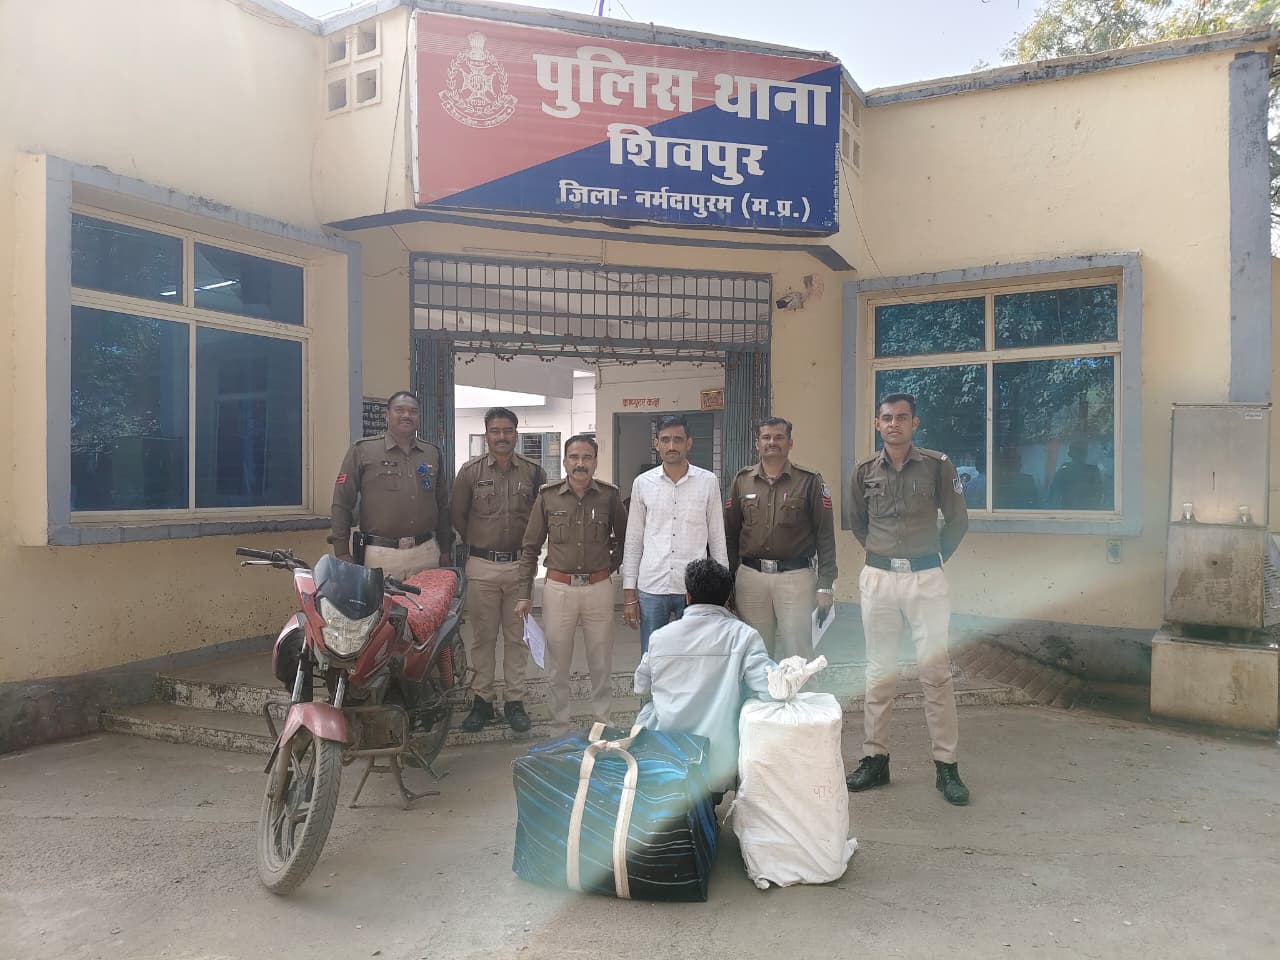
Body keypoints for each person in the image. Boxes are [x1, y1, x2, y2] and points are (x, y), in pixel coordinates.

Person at [846, 393, 971, 806]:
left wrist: (930, 559)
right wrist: (884, 555)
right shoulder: (864, 471)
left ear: (914, 423)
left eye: (902, 417)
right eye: (886, 418)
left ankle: (946, 766)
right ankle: (875, 759)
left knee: (935, 673)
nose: (894, 424)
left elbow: (957, 521)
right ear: (877, 424)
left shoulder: (937, 465)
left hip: (925, 578)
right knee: (878, 671)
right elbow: (858, 523)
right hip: (879, 578)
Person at [633, 558, 775, 801]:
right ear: (728, 599)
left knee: (648, 709)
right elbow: (770, 686)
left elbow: (640, 686)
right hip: (718, 762)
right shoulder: (744, 636)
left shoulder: (660, 637)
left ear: (687, 597)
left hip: (668, 754)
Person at [515, 435, 627, 733]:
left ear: (595, 461)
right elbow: (530, 548)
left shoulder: (609, 496)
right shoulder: (548, 496)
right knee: (558, 662)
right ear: (564, 462)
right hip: (559, 589)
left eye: (587, 457)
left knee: (601, 660)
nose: (580, 463)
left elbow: (626, 539)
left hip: (598, 589)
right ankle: (559, 727)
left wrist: (609, 566)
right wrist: (525, 593)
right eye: (574, 457)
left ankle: (603, 722)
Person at [451, 407, 547, 735]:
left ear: (516, 434)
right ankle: (482, 700)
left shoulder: (533, 473)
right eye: (495, 431)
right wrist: (480, 542)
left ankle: (514, 701)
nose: (502, 437)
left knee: (517, 637)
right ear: (486, 434)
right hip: (482, 566)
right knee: (483, 637)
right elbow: (457, 515)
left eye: (507, 430)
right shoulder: (470, 473)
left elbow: (540, 518)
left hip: (520, 566)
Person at [724, 416, 837, 659]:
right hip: (751, 578)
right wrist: (729, 581)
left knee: (798, 653)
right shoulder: (742, 481)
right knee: (755, 652)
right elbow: (730, 534)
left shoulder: (809, 481)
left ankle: (799, 686)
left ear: (790, 443)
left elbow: (825, 536)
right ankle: (761, 686)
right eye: (766, 437)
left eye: (779, 437)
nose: (772, 442)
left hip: (795, 578)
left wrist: (825, 584)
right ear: (757, 444)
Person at [622, 414, 729, 654]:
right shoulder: (642, 483)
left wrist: (723, 588)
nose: (671, 445)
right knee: (652, 654)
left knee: (693, 655)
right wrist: (629, 593)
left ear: (688, 443)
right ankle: (652, 683)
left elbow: (717, 538)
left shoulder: (708, 482)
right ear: (656, 444)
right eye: (665, 439)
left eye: (678, 439)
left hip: (694, 588)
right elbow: (633, 541)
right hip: (652, 586)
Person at [329, 390, 453, 581]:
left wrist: (445, 549)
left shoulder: (432, 453)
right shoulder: (362, 450)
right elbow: (342, 502)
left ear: (419, 417)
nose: (407, 415)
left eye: (413, 411)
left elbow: (442, 504)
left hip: (426, 552)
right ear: (387, 415)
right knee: (383, 602)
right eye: (399, 410)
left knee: (429, 601)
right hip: (381, 555)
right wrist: (342, 551)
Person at [1049, 440, 1105, 510]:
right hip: (1069, 512)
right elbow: (1054, 498)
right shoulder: (1062, 473)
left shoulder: (1093, 472)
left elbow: (1099, 495)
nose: (1081, 454)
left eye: (1082, 451)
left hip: (1087, 512)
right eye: (1079, 451)